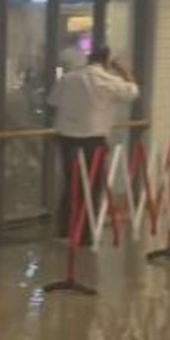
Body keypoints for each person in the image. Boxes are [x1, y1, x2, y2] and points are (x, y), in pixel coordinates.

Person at [48, 44, 139, 240]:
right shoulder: (108, 80)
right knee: (91, 186)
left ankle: (64, 230)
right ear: (107, 61)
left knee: (70, 184)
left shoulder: (68, 78)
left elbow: (53, 102)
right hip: (93, 141)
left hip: (66, 139)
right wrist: (124, 71)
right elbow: (132, 92)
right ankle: (84, 233)